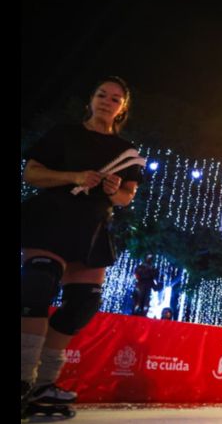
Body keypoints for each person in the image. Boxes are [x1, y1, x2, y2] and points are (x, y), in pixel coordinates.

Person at [21, 76, 144, 418]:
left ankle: (44, 385)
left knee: (83, 304)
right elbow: (31, 173)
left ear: (123, 108)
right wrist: (74, 177)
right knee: (37, 287)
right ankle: (21, 380)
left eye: (115, 98)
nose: (107, 101)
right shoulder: (64, 134)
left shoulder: (126, 151)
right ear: (91, 99)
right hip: (51, 220)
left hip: (90, 228)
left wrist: (112, 190)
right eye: (102, 95)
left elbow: (125, 197)